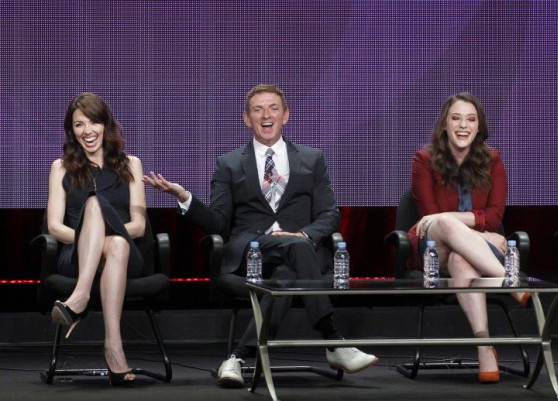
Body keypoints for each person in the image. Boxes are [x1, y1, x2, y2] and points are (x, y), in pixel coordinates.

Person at [143, 84, 378, 387]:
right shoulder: (228, 163)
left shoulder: (312, 159)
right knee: (294, 250)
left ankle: (237, 358)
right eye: (258, 109)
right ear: (246, 118)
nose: (266, 116)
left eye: (273, 108)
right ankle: (333, 341)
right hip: (252, 253)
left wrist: (304, 233)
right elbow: (218, 222)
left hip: (296, 257)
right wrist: (186, 197)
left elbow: (330, 215)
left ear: (286, 116)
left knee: (286, 272)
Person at [408, 92, 530, 384]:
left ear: (479, 127)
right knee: (446, 223)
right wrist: (478, 226)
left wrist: (479, 226)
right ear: (445, 125)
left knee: (462, 259)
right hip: (432, 246)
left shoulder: (493, 160)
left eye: (471, 119)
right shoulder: (424, 160)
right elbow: (431, 215)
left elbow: (495, 217)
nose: (463, 125)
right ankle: (508, 280)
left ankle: (484, 345)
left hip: (476, 251)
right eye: (456, 118)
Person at [47, 92, 146, 386]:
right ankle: (113, 348)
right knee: (94, 208)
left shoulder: (131, 165)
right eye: (79, 125)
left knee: (114, 238)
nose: (87, 131)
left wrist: (104, 232)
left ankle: (79, 299)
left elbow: (139, 225)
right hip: (77, 256)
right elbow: (54, 226)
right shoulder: (60, 168)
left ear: (106, 124)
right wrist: (89, 239)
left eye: (94, 122)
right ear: (71, 131)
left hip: (126, 252)